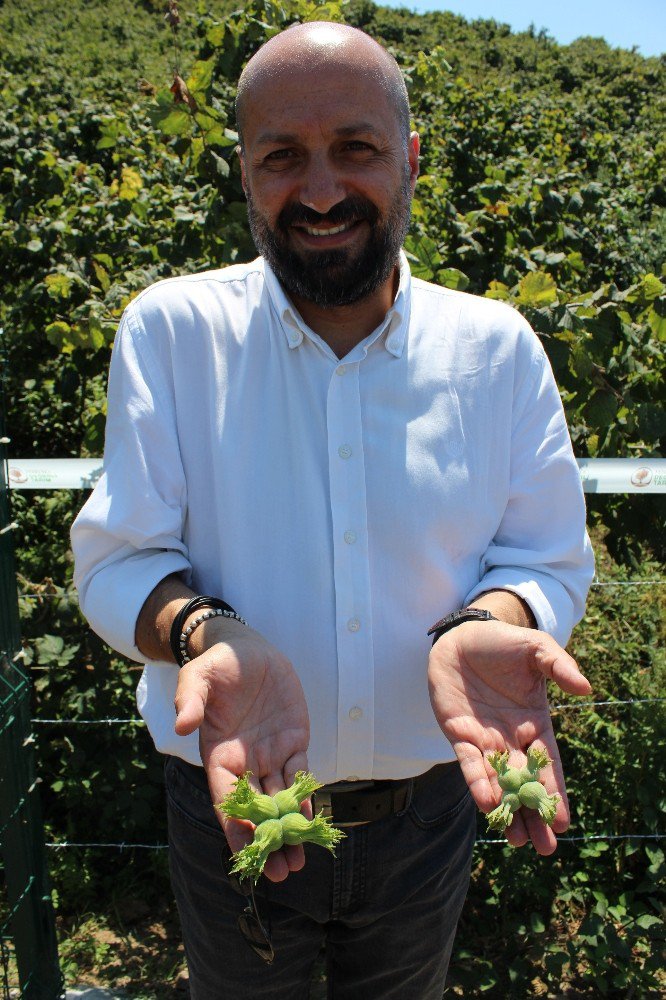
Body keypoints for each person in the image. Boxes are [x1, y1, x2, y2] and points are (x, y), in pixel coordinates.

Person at [71, 21, 595, 999]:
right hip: (233, 797)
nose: (319, 190)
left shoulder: (498, 350)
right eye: (283, 156)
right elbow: (115, 561)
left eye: (354, 147)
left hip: (428, 813)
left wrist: (490, 623)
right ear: (243, 172)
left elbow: (546, 556)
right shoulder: (173, 332)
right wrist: (204, 631)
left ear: (410, 158)